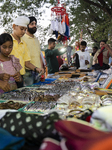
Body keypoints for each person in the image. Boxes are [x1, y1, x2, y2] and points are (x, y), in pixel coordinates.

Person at [10, 16, 44, 87]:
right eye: (21, 29)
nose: (23, 32)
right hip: (9, 77)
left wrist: (37, 68)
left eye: (25, 29)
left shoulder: (23, 43)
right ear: (14, 27)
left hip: (21, 77)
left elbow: (27, 62)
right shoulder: (8, 41)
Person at [22, 16, 44, 85]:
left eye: (35, 24)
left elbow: (39, 55)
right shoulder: (22, 38)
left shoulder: (36, 39)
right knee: (28, 93)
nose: (34, 25)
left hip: (38, 72)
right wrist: (36, 68)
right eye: (32, 24)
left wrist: (41, 68)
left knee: (38, 92)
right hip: (27, 72)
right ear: (27, 26)